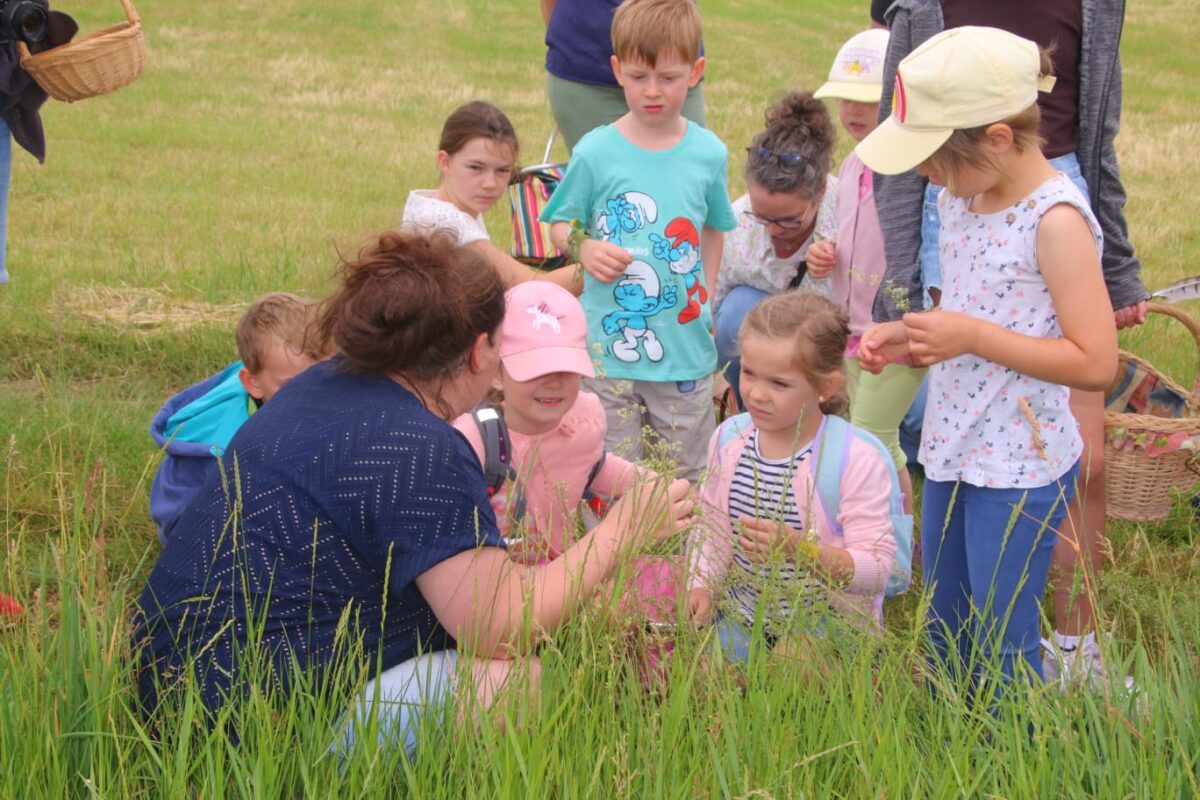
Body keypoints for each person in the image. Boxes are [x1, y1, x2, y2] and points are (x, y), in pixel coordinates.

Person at [132, 231, 694, 757]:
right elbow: (501, 625)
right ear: (478, 353)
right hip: (251, 723)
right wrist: (623, 531)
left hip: (164, 681)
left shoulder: (312, 388)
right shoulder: (422, 447)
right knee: (524, 683)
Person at [872, 0, 1146, 690]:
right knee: (947, 620)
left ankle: (1009, 752)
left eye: (933, 161)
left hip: (1018, 459)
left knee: (1001, 633)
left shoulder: (1054, 223)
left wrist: (973, 336)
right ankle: (951, 734)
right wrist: (911, 335)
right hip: (954, 444)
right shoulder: (962, 200)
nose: (925, 177)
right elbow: (969, 311)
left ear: (996, 138)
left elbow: (1095, 360)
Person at [541, 0, 737, 482]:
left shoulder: (708, 153)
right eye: (638, 76)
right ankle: (616, 555)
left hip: (684, 345)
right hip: (607, 351)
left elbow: (714, 226)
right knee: (611, 469)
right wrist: (583, 247)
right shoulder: (595, 151)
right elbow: (559, 223)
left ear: (696, 72)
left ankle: (685, 557)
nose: (653, 92)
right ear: (616, 71)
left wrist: (706, 293)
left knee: (685, 472)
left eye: (669, 78)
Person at [686, 292, 899, 663]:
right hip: (743, 610)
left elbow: (879, 569)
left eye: (779, 384)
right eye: (748, 372)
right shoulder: (729, 439)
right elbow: (712, 525)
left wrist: (803, 551)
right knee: (709, 677)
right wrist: (701, 583)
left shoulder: (854, 459)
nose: (755, 393)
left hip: (827, 621)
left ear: (825, 387)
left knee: (792, 661)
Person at [452, 281, 667, 564]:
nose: (553, 382)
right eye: (535, 368)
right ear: (495, 372)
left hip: (564, 584)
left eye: (567, 368)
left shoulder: (583, 423)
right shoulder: (472, 441)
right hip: (493, 592)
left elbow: (599, 469)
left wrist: (665, 492)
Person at [807, 29, 924, 515]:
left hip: (895, 326)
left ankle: (893, 541)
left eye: (866, 98)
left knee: (876, 436)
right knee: (864, 433)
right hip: (852, 323)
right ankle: (871, 527)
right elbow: (838, 231)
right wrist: (823, 251)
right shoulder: (855, 163)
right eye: (844, 100)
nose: (854, 111)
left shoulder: (913, 167)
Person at [147, 292, 324, 544]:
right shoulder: (222, 444)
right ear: (252, 383)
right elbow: (180, 529)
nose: (312, 396)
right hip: (192, 528)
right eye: (292, 386)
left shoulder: (275, 376)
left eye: (322, 380)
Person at [711, 92, 839, 409]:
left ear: (821, 192)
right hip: (765, 343)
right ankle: (753, 410)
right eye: (762, 216)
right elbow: (711, 307)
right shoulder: (737, 226)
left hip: (831, 346)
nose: (773, 229)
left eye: (789, 221)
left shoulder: (851, 217)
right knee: (736, 311)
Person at [401, 101, 582, 293]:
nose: (490, 183)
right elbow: (533, 288)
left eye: (503, 170)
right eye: (476, 168)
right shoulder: (446, 223)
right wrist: (601, 261)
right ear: (445, 162)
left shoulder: (430, 204)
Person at [540, 0, 706, 153]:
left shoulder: (713, 154)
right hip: (585, 66)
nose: (652, 92)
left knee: (688, 166)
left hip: (676, 55)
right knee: (603, 176)